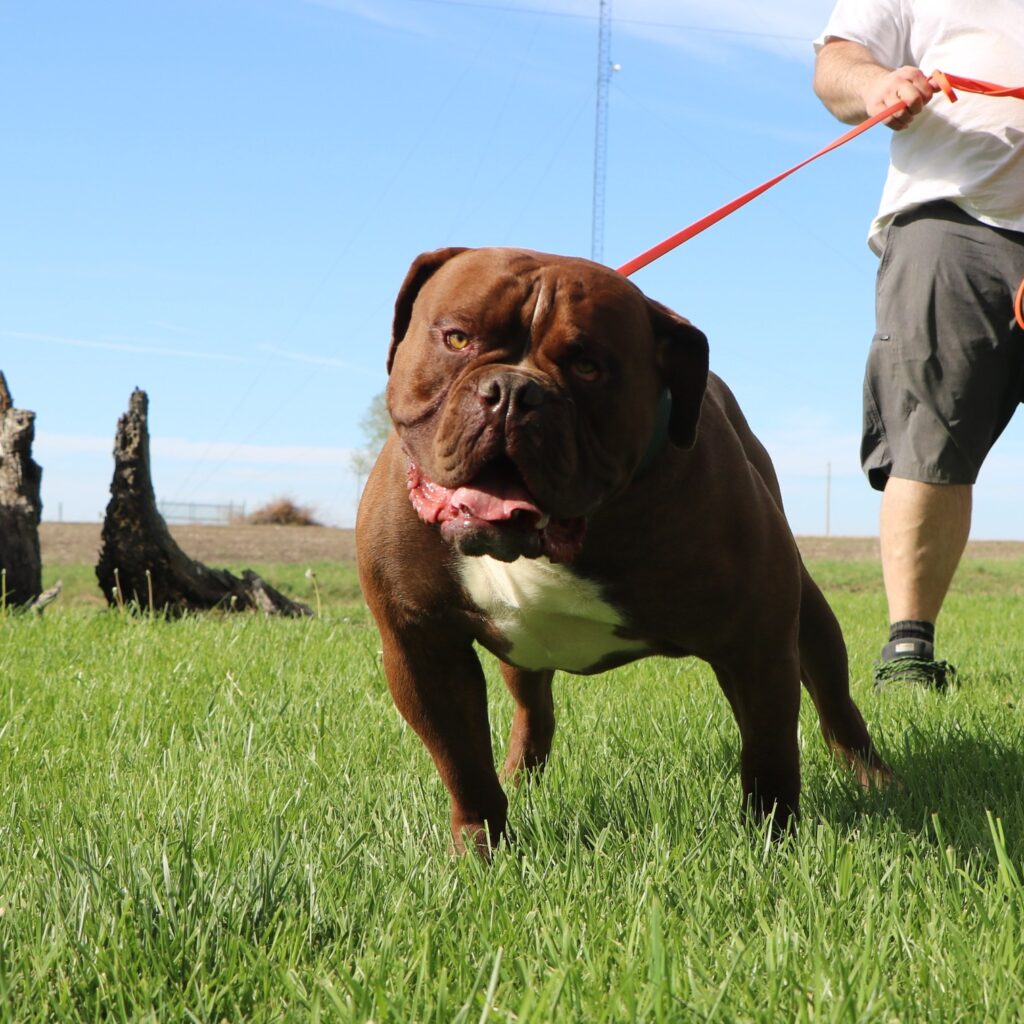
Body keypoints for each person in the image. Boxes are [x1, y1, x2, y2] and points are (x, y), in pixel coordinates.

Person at [812, 0, 1024, 689]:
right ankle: (910, 650)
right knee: (932, 434)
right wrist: (877, 85)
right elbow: (836, 64)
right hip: (953, 217)